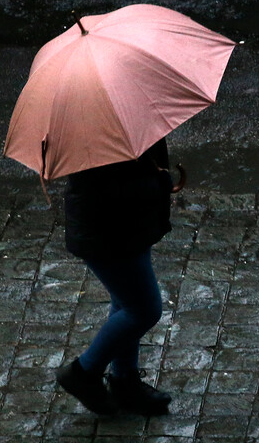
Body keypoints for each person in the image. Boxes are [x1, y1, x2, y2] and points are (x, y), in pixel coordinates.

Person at [55, 138, 175, 416]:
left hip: (128, 227)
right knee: (144, 310)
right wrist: (160, 184)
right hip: (109, 233)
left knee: (125, 302)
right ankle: (83, 372)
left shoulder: (123, 123)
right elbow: (115, 189)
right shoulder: (98, 137)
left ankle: (125, 382)